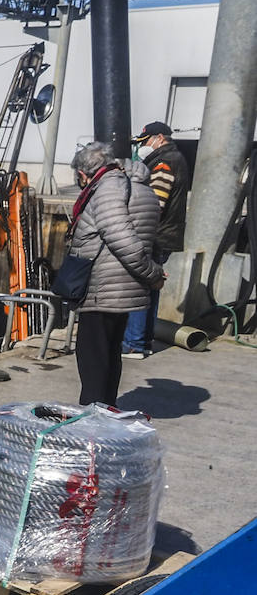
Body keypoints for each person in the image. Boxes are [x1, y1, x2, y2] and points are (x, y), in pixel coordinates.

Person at [67, 141, 164, 406]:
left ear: (84, 173)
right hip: (124, 286)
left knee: (93, 354)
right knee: (109, 351)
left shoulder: (109, 187)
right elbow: (149, 238)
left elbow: (119, 236)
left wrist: (151, 273)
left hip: (104, 286)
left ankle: (93, 414)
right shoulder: (142, 188)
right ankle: (106, 407)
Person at [123, 121, 191, 358]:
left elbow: (155, 203)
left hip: (155, 235)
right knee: (152, 285)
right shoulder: (175, 158)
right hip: (165, 234)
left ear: (159, 138)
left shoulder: (164, 163)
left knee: (139, 287)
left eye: (146, 141)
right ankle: (145, 340)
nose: (144, 147)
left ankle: (133, 343)